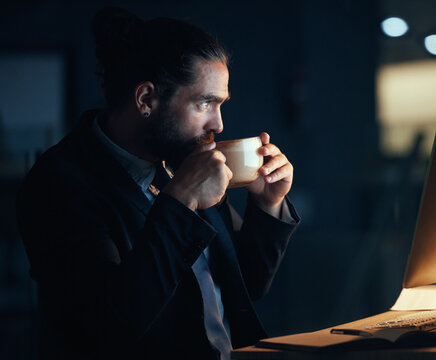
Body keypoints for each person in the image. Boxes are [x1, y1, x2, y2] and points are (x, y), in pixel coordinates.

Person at [16, 7, 299, 360]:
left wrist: (269, 203)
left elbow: (248, 284)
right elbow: (111, 327)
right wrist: (179, 200)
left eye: (221, 104)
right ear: (146, 99)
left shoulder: (183, 160)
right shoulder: (60, 182)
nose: (219, 124)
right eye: (205, 103)